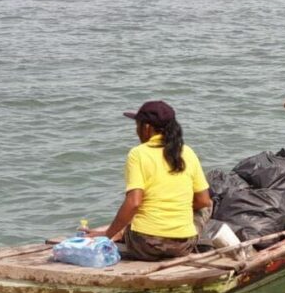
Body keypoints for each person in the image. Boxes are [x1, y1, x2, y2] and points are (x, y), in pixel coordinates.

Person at [89, 100, 212, 261]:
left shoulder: (138, 154)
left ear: (146, 128)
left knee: (138, 210)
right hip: (182, 246)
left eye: (137, 125)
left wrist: (107, 234)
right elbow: (203, 201)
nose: (136, 131)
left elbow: (134, 203)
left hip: (145, 245)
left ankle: (120, 233)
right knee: (207, 206)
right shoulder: (187, 152)